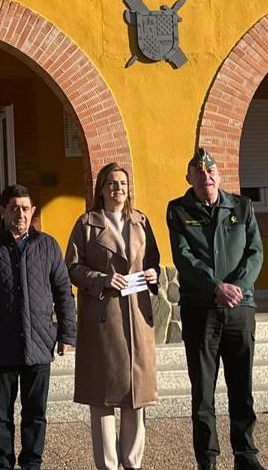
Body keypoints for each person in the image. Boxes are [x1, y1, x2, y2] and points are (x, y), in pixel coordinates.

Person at [0, 184, 77, 470]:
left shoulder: (47, 245)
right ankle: (2, 463)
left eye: (25, 209)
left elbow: (63, 291)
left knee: (35, 412)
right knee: (1, 414)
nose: (20, 215)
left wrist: (66, 333)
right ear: (2, 212)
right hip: (0, 343)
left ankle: (32, 463)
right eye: (14, 208)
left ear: (33, 211)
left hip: (39, 343)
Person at [166, 148, 266, 470]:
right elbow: (184, 257)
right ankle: (207, 459)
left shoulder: (241, 206)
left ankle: (246, 456)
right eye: (199, 172)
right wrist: (215, 287)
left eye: (211, 172)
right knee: (203, 393)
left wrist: (236, 288)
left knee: (242, 389)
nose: (206, 177)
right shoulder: (179, 211)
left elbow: (255, 253)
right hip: (201, 310)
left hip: (240, 309)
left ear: (218, 175)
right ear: (189, 178)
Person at [65, 162, 161, 470]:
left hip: (136, 316)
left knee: (137, 394)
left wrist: (152, 274)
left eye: (122, 183)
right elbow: (73, 268)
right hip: (103, 318)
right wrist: (103, 279)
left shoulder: (141, 222)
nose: (118, 188)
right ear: (101, 189)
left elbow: (154, 262)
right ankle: (107, 465)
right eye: (111, 183)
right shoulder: (87, 223)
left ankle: (132, 462)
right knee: (102, 397)